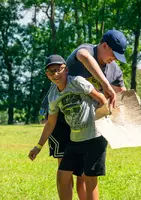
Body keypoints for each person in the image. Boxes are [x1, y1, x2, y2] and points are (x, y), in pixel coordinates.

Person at [42, 29, 128, 199]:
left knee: (83, 173)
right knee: (65, 170)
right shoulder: (87, 50)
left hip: (87, 125)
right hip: (61, 118)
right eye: (114, 54)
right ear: (104, 45)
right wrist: (105, 85)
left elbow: (123, 94)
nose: (115, 59)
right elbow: (83, 55)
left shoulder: (115, 70)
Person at [29, 54, 109, 200]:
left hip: (94, 138)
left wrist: (103, 126)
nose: (56, 74)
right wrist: (38, 146)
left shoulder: (78, 82)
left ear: (66, 70)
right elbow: (51, 123)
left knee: (90, 179)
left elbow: (101, 99)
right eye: (51, 71)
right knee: (63, 175)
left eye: (59, 69)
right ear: (47, 75)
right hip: (75, 140)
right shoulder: (53, 95)